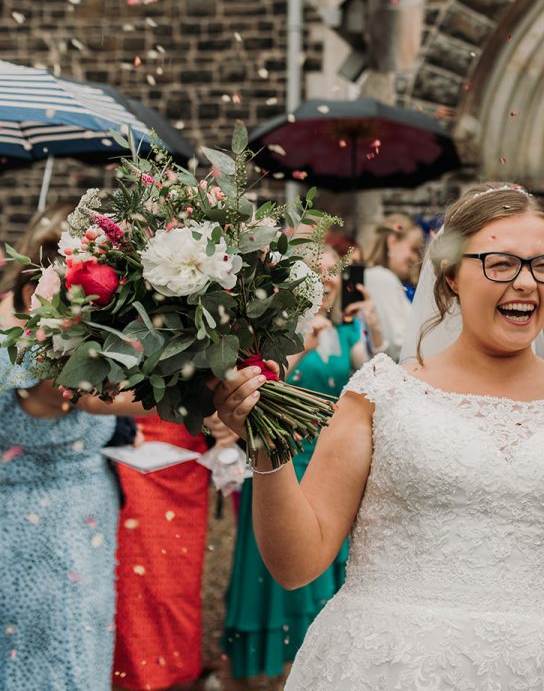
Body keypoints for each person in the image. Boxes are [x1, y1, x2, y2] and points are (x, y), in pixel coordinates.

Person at [210, 183, 544, 688]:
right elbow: (296, 564)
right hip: (387, 668)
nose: (527, 283)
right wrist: (268, 453)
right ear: (450, 277)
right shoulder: (380, 394)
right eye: (501, 263)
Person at [0, 207, 147, 690]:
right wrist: (196, 393)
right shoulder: (27, 358)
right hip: (32, 532)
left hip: (88, 520)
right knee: (41, 655)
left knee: (82, 646)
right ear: (33, 292)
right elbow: (78, 396)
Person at [222, 246, 360, 688]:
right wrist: (304, 346)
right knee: (281, 569)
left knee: (325, 575)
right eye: (316, 273)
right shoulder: (269, 335)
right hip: (281, 463)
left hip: (332, 470)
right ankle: (267, 672)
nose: (328, 282)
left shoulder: (349, 332)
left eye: (333, 273)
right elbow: (258, 388)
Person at [111, 412, 237, 691]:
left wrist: (223, 415)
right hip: (130, 448)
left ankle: (176, 670)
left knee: (179, 577)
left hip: (187, 456)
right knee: (136, 575)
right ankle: (133, 672)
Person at [360, 213, 424, 361]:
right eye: (414, 250)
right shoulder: (382, 278)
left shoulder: (378, 277)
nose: (415, 258)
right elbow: (398, 345)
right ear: (393, 242)